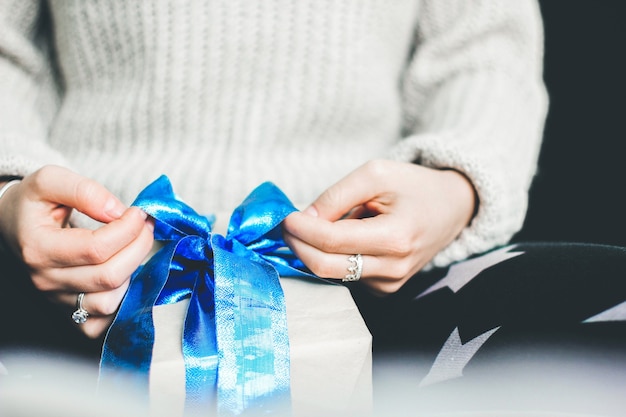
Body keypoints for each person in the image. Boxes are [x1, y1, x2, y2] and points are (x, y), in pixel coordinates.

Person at [3, 2, 624, 414]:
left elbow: (484, 51)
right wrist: (10, 191)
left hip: (379, 276)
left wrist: (454, 185)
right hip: (81, 278)